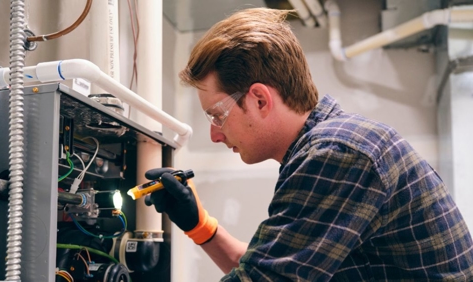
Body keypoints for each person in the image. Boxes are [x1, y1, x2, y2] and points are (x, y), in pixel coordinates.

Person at [144, 7, 473, 281]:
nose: (215, 135)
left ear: (259, 99)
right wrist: (199, 225)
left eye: (218, 115)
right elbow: (270, 265)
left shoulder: (336, 153)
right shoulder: (334, 145)